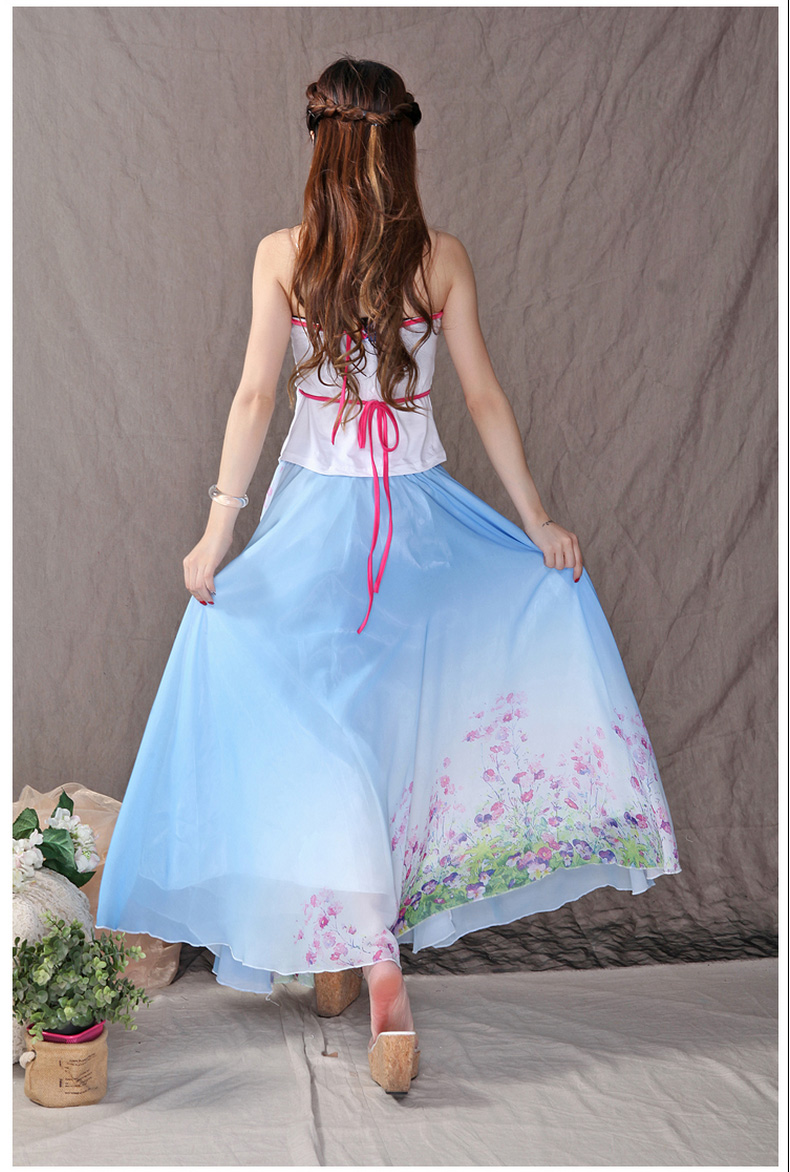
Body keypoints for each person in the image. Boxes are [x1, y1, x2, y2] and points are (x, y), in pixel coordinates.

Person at [95, 57, 681, 1095]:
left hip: (321, 526)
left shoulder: (285, 253)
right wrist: (535, 521)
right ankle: (360, 956)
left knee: (331, 729)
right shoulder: (437, 257)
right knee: (381, 729)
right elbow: (483, 399)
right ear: (402, 146)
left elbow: (254, 398)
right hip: (415, 531)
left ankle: (366, 957)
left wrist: (218, 531)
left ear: (319, 148)